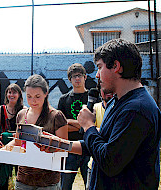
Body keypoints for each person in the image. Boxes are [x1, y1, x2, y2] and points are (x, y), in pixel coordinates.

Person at [70, 38, 161, 189]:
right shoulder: (116, 102)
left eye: (100, 67)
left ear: (116, 66)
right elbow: (100, 144)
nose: (97, 75)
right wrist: (58, 144)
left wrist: (88, 126)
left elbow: (109, 161)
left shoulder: (136, 109)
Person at [6, 74, 68, 190]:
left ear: (46, 93)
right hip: (23, 179)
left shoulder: (56, 116)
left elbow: (64, 147)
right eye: (29, 96)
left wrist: (48, 147)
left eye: (37, 96)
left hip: (48, 181)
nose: (33, 101)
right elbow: (18, 142)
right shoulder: (21, 115)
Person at [57, 63, 89, 190]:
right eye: (74, 76)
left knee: (91, 185)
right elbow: (61, 126)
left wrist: (70, 121)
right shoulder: (64, 100)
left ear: (85, 77)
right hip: (69, 147)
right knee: (65, 185)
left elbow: (95, 124)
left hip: (89, 147)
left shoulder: (93, 98)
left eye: (80, 76)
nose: (77, 79)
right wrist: (83, 124)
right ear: (70, 79)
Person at [0, 83, 25, 190]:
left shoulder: (24, 109)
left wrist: (12, 134)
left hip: (19, 146)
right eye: (9, 92)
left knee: (20, 172)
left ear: (19, 95)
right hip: (4, 145)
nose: (11, 95)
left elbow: (25, 129)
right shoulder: (1, 109)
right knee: (4, 172)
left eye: (14, 92)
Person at [86, 82, 113, 190]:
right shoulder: (95, 108)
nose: (107, 93)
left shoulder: (119, 108)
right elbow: (88, 134)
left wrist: (92, 128)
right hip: (93, 163)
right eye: (104, 90)